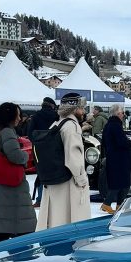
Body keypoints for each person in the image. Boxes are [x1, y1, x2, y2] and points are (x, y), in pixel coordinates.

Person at [0, 102, 36, 244]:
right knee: (22, 229)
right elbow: (15, 155)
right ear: (10, 116)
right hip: (10, 189)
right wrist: (26, 157)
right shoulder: (7, 132)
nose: (19, 118)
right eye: (17, 115)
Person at [36, 93, 91, 229]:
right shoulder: (72, 126)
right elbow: (74, 158)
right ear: (74, 109)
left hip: (54, 180)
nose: (83, 111)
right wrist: (82, 181)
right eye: (81, 108)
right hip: (68, 183)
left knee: (55, 220)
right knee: (69, 221)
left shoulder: (56, 124)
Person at [101, 103, 131, 214]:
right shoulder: (116, 125)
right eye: (122, 113)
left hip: (112, 157)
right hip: (120, 159)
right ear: (117, 113)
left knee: (119, 183)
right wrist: (130, 142)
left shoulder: (108, 125)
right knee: (122, 183)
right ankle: (106, 204)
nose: (123, 115)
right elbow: (121, 141)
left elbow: (103, 142)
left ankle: (119, 205)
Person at [27, 96, 59, 206]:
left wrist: (37, 142)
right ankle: (54, 199)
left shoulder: (36, 116)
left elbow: (30, 133)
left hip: (39, 149)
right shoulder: (56, 116)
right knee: (55, 172)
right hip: (54, 148)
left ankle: (40, 199)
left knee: (41, 173)